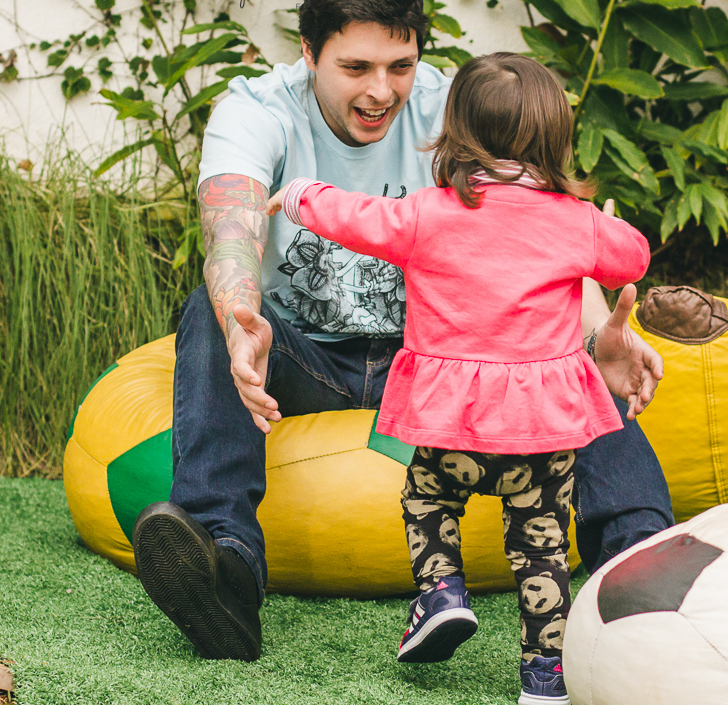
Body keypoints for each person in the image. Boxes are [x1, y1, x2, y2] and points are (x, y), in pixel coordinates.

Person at [130, 0, 672, 667]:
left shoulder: (456, 106)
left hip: (439, 356)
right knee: (207, 308)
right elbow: (231, 227)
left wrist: (598, 330)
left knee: (559, 362)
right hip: (305, 355)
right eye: (355, 67)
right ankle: (224, 570)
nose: (381, 90)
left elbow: (539, 236)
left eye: (399, 66)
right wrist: (241, 324)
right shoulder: (258, 110)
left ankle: (638, 569)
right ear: (309, 53)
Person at [265, 52, 649, 702]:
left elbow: (356, 218)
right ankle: (544, 677)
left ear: (456, 135)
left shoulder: (425, 213)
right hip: (539, 436)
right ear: (556, 137)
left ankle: (441, 591)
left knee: (426, 498)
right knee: (542, 548)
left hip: (453, 429)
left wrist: (302, 196)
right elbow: (631, 255)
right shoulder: (574, 224)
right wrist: (599, 221)